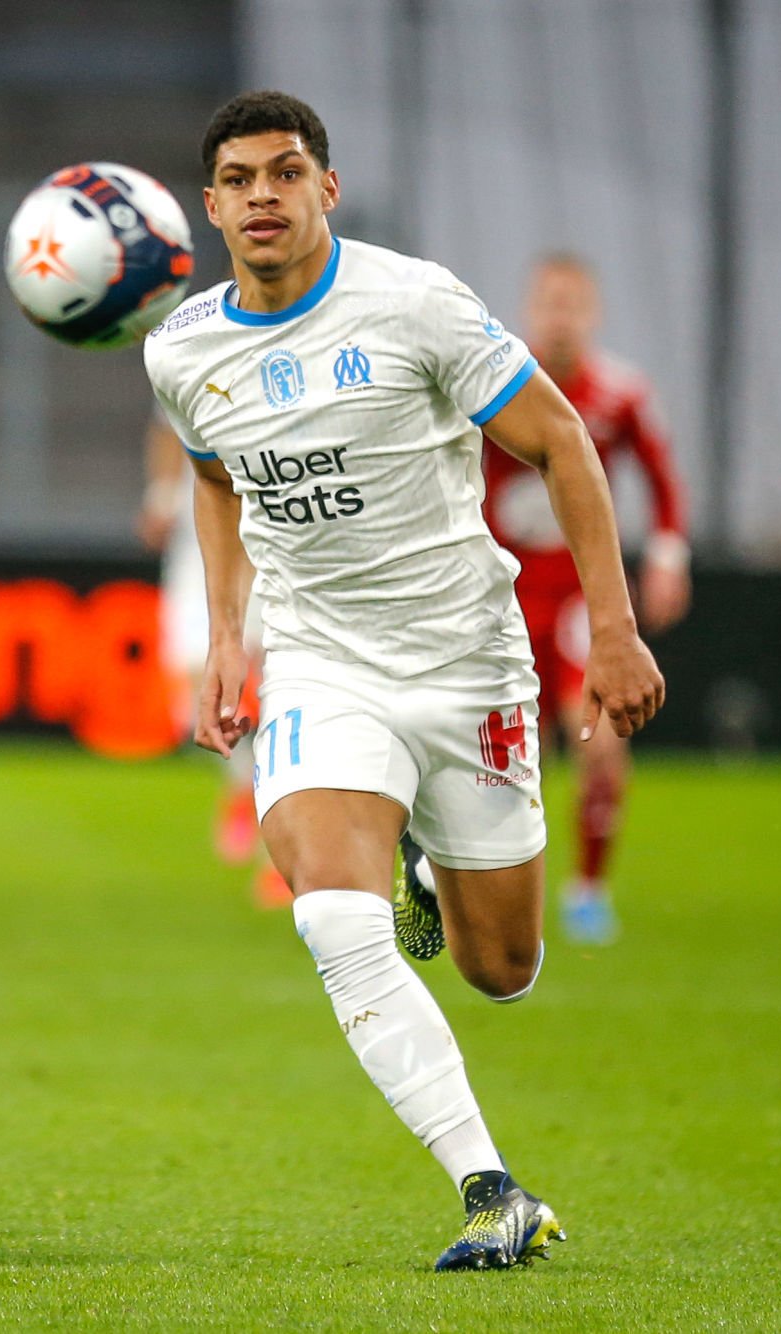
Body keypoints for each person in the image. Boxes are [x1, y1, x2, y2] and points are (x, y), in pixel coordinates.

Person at [143, 91, 664, 1270]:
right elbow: (215, 477)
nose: (264, 195)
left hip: (466, 660)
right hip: (320, 661)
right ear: (212, 206)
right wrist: (228, 636)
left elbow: (562, 439)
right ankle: (492, 1187)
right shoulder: (182, 350)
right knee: (333, 915)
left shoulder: (415, 302)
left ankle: (428, 855)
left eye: (287, 172)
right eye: (240, 178)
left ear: (327, 188)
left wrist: (616, 628)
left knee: (502, 968)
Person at [476, 253, 691, 945]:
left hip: (579, 595)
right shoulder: (492, 381)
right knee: (509, 755)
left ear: (591, 314)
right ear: (529, 309)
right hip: (502, 593)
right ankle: (500, 889)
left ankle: (589, 889)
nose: (559, 316)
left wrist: (667, 557)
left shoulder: (621, 394)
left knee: (599, 741)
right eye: (549, 302)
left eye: (572, 303)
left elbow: (662, 480)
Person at [136, 408, 290, 907]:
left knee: (278, 687)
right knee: (196, 685)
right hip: (200, 528)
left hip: (274, 530)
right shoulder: (184, 360)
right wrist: (161, 496)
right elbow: (167, 424)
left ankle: (283, 848)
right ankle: (243, 785)